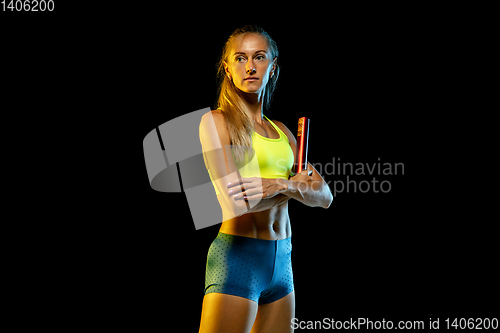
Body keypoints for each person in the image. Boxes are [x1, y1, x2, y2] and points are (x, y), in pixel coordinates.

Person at [198, 25, 333, 333]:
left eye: (259, 57)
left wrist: (282, 184)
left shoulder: (284, 132)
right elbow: (234, 204)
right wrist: (299, 189)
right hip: (239, 258)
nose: (250, 66)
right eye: (240, 58)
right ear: (227, 69)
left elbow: (325, 197)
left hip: (283, 262)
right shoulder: (215, 122)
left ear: (273, 67)